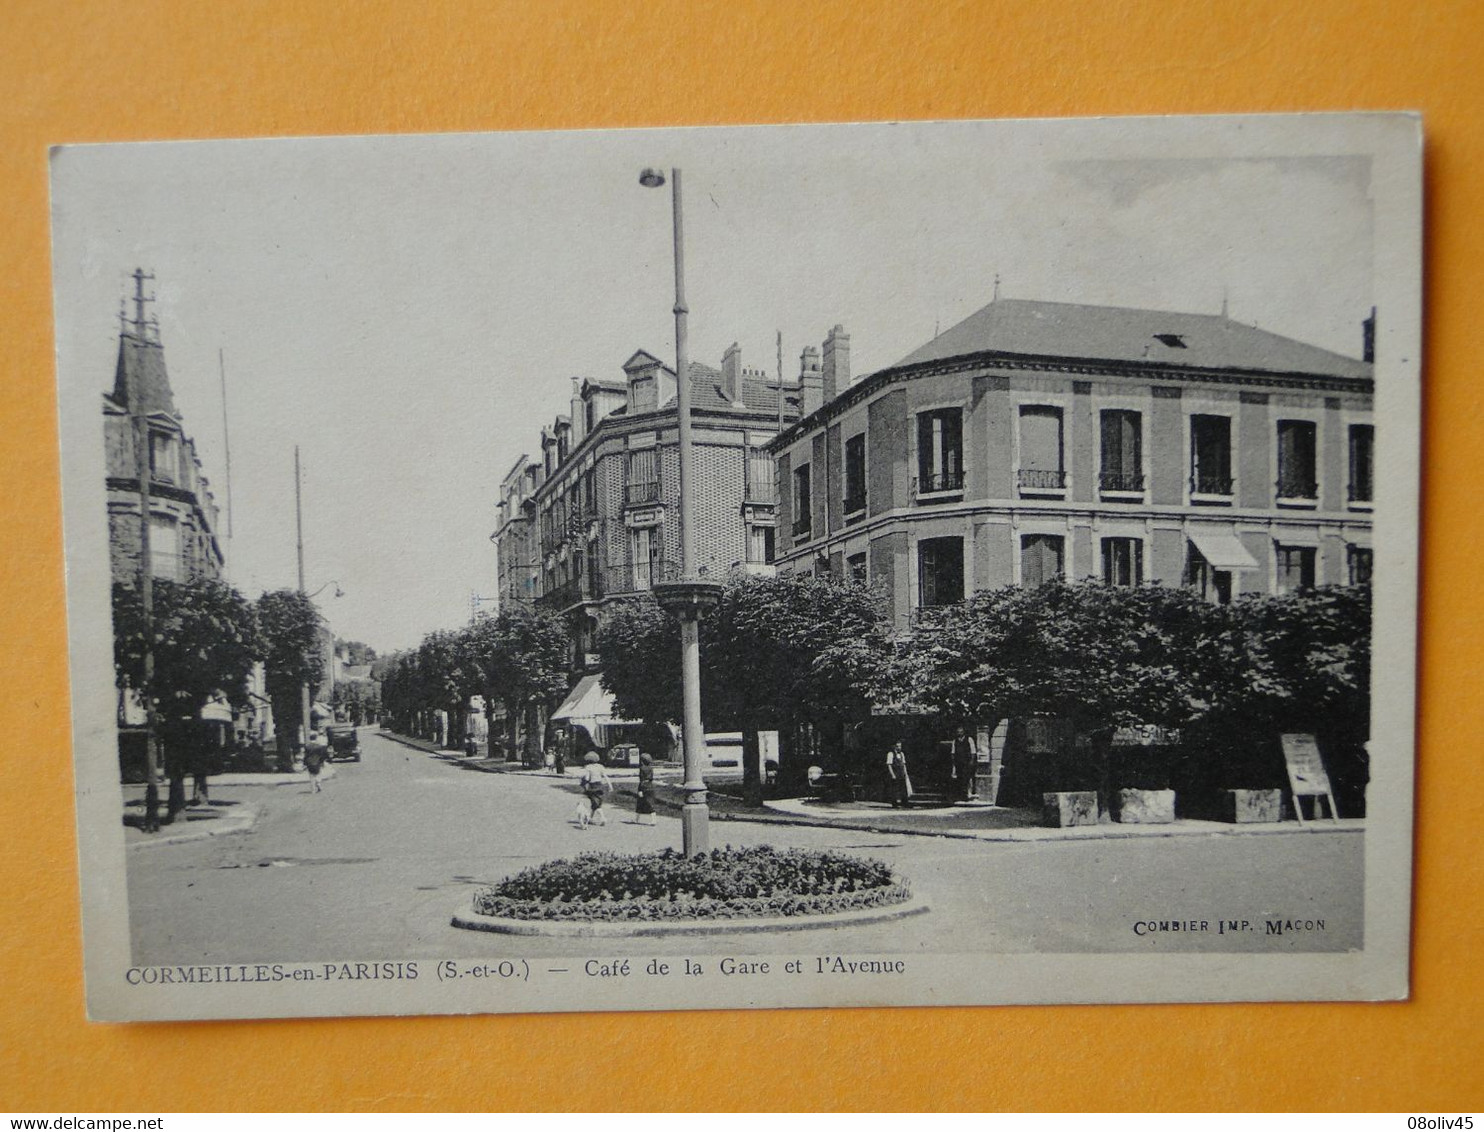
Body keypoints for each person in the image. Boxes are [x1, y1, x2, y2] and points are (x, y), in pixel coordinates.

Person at [578, 751, 611, 827]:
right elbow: (605, 776)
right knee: (596, 803)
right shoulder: (600, 766)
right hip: (600, 785)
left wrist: (582, 781)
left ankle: (603, 818)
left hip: (592, 787)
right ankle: (590, 819)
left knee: (596, 804)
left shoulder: (588, 767)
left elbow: (587, 778)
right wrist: (610, 785)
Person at [951, 726, 978, 802]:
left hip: (967, 762)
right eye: (958, 732)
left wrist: (972, 761)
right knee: (959, 778)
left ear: (964, 732)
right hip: (958, 762)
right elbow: (953, 752)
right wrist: (954, 763)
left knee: (966, 778)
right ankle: (961, 795)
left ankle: (967, 794)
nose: (959, 733)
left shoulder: (969, 739)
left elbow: (973, 751)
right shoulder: (955, 741)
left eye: (961, 732)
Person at [886, 740, 912, 809]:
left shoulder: (902, 754)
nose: (899, 748)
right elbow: (889, 765)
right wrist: (892, 774)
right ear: (894, 746)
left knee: (903, 788)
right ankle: (894, 804)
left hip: (901, 773)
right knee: (895, 789)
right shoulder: (890, 754)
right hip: (895, 773)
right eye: (897, 746)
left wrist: (905, 773)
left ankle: (905, 803)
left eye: (900, 746)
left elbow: (904, 764)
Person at [634, 751, 657, 825]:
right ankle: (654, 819)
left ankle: (636, 819)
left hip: (643, 786)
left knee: (640, 804)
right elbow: (651, 778)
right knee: (650, 803)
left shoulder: (642, 768)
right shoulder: (651, 768)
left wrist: (640, 790)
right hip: (650, 786)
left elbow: (641, 779)